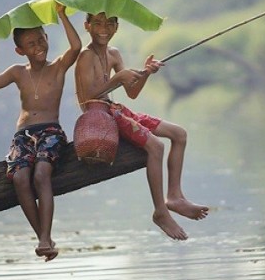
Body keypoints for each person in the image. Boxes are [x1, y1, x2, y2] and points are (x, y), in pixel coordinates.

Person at [74, 12, 209, 241]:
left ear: (117, 27)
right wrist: (118, 78)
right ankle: (160, 211)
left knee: (179, 134)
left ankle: (174, 196)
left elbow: (132, 93)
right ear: (87, 26)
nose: (103, 28)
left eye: (110, 23)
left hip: (117, 109)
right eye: (97, 23)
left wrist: (145, 73)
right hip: (100, 116)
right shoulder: (85, 56)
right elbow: (86, 99)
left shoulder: (114, 53)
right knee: (155, 147)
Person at [0, 3, 81, 261]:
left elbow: (76, 47)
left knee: (42, 174)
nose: (39, 46)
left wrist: (62, 15)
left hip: (51, 132)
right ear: (20, 50)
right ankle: (43, 238)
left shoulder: (57, 67)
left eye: (41, 39)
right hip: (23, 135)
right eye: (31, 44)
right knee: (20, 179)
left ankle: (46, 236)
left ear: (47, 37)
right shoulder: (17, 72)